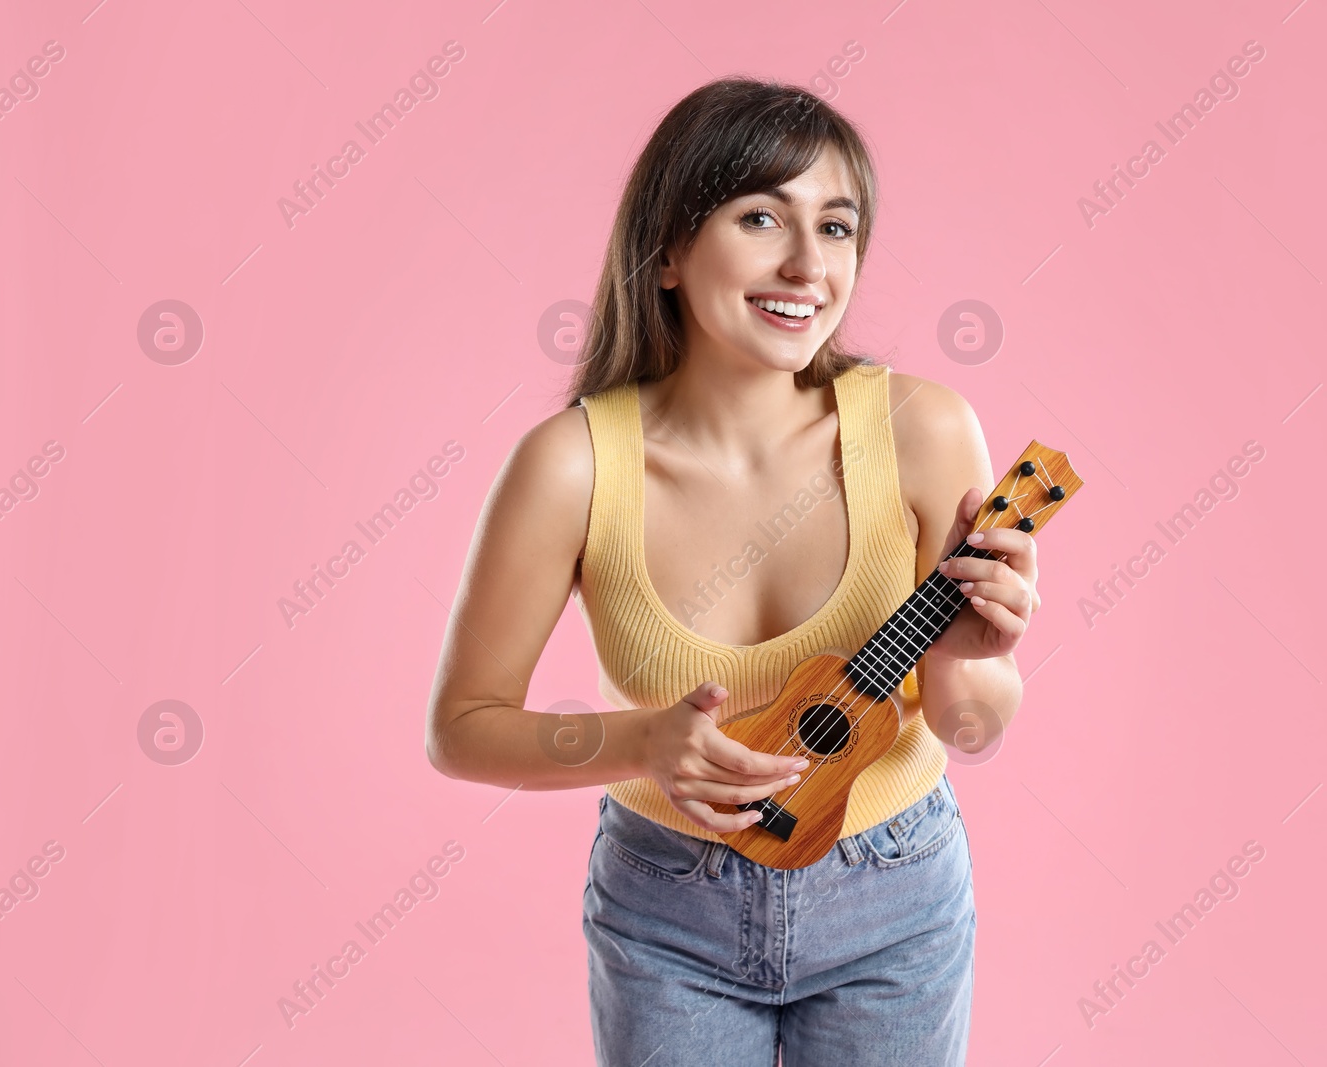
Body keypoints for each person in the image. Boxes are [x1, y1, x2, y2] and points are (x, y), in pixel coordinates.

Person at [425, 76, 1039, 1066]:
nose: (806, 264)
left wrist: (969, 657)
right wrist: (643, 742)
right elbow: (462, 729)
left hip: (893, 895)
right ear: (667, 250)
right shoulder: (573, 465)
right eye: (761, 217)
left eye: (835, 228)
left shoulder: (923, 431)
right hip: (669, 908)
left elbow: (968, 728)